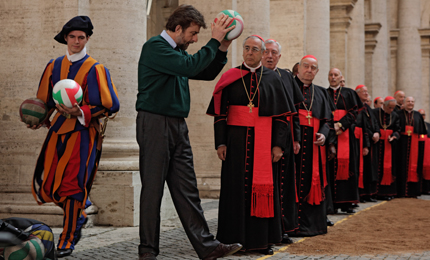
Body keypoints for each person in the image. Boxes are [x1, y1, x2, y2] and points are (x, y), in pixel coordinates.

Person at [135, 5, 242, 260]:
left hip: (177, 125)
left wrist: (223, 45)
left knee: (187, 188)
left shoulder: (178, 54)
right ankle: (147, 251)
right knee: (153, 190)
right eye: (193, 34)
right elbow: (193, 67)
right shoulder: (155, 47)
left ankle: (207, 247)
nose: (195, 40)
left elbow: (204, 72)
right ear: (178, 27)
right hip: (154, 123)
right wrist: (214, 40)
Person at [29, 16, 120, 258]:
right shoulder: (53, 65)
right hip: (56, 131)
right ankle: (79, 213)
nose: (76, 41)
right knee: (48, 186)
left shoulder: (96, 68)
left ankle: (67, 240)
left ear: (87, 39)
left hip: (83, 134)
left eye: (81, 37)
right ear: (66, 39)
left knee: (72, 187)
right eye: (72, 37)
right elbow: (45, 101)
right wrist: (35, 117)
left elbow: (111, 105)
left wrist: (80, 111)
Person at [206, 35, 295, 254]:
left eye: (256, 49)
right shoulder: (230, 76)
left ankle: (261, 241)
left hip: (264, 147)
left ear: (263, 53)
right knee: (234, 190)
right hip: (235, 144)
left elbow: (282, 117)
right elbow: (220, 115)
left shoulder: (273, 79)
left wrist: (278, 146)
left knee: (264, 190)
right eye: (247, 48)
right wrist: (220, 143)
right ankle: (232, 240)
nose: (250, 52)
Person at [284, 55, 335, 237]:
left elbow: (328, 121)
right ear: (298, 68)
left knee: (312, 184)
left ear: (317, 71)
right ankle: (289, 226)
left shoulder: (321, 93)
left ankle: (311, 226)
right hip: (292, 143)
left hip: (313, 146)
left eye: (313, 68)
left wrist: (324, 134)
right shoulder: (287, 87)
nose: (309, 70)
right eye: (306, 66)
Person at [261, 39, 304, 244]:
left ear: (280, 56)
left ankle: (282, 228)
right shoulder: (255, 74)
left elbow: (294, 112)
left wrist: (296, 139)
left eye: (274, 53)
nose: (270, 56)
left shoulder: (287, 75)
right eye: (267, 52)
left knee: (284, 184)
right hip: (260, 135)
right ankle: (265, 228)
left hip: (284, 137)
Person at [326, 68, 362, 214]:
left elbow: (355, 112)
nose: (333, 77)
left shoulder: (349, 93)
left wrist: (340, 124)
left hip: (346, 134)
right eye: (331, 75)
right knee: (330, 168)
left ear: (341, 77)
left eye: (336, 75)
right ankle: (332, 204)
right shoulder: (324, 93)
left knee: (348, 170)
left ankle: (347, 203)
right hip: (329, 134)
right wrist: (331, 126)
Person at [395, 97, 426, 198]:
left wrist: (421, 144)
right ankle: (401, 192)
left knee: (415, 166)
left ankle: (413, 192)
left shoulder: (417, 115)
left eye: (412, 101)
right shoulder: (399, 114)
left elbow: (422, 132)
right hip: (401, 144)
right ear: (404, 103)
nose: (410, 103)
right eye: (408, 101)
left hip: (415, 145)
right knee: (401, 166)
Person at [371, 96, 401, 200]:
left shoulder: (395, 115)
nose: (391, 110)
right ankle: (374, 192)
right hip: (376, 143)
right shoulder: (374, 112)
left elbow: (398, 129)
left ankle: (386, 193)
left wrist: (394, 136)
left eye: (393, 108)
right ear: (384, 105)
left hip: (389, 144)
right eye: (390, 108)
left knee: (388, 167)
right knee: (375, 166)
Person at [355, 85, 380, 202]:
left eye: (367, 91)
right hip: (362, 141)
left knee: (371, 168)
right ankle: (362, 194)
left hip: (371, 142)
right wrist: (371, 135)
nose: (366, 93)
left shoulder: (367, 108)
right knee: (363, 168)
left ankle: (369, 193)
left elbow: (374, 123)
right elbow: (363, 126)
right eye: (363, 91)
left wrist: (377, 133)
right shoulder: (357, 106)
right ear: (358, 93)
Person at [418, 109, 430, 194]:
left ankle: (427, 189)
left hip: (427, 151)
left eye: (424, 115)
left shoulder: (428, 125)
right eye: (421, 115)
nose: (422, 116)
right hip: (418, 149)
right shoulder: (416, 124)